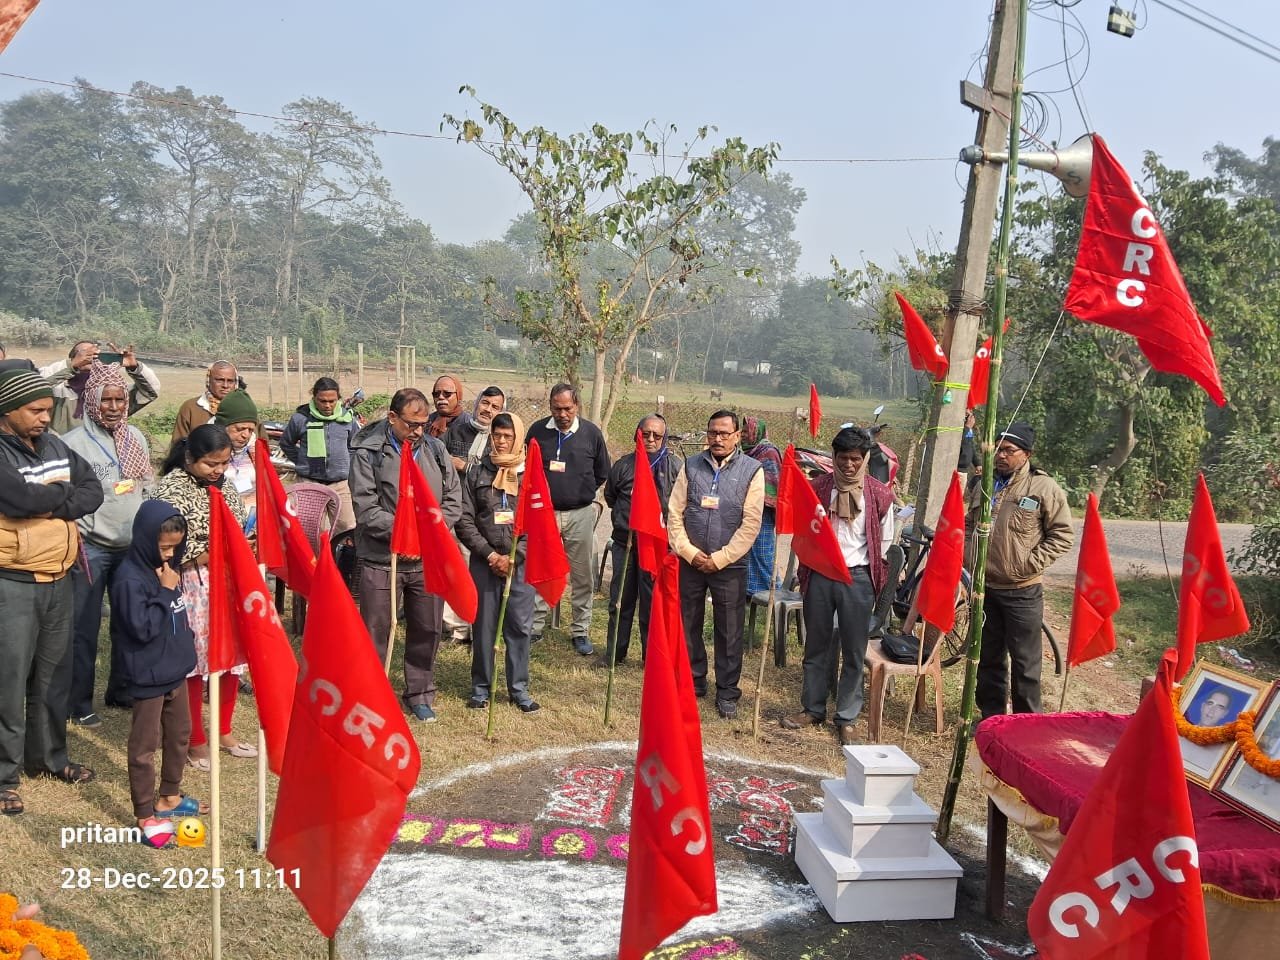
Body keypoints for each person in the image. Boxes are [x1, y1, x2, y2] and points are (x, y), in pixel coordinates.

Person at [0, 369, 104, 817]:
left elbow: (93, 490)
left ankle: (48, 758)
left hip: (60, 578)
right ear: (8, 411)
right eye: (36, 410)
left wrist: (49, 498)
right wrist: (58, 499)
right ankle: (4, 776)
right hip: (13, 583)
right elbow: (16, 499)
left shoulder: (56, 446)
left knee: (52, 674)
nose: (46, 417)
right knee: (8, 680)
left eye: (47, 409)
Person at [350, 387, 463, 722]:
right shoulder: (367, 452)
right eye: (411, 424)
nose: (418, 430)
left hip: (427, 560)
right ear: (392, 418)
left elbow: (453, 500)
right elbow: (366, 508)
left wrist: (428, 531)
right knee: (377, 629)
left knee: (427, 628)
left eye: (423, 423)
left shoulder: (436, 449)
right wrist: (408, 530)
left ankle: (420, 692)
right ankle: (373, 695)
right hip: (383, 559)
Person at [780, 427, 896, 746]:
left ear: (865, 459)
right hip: (820, 575)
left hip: (857, 579)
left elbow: (884, 542)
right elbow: (802, 528)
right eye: (842, 458)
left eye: (855, 459)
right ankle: (812, 707)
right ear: (834, 458)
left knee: (854, 649)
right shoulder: (818, 489)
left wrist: (869, 573)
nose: (848, 465)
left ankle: (847, 716)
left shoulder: (879, 495)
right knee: (816, 644)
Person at [150, 424, 255, 769]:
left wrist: (241, 546)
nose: (219, 471)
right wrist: (215, 553)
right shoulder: (170, 490)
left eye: (224, 464)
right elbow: (167, 546)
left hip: (229, 579)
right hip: (191, 583)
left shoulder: (223, 485)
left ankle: (223, 730)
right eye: (212, 464)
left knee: (233, 654)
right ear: (190, 457)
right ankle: (195, 739)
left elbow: (238, 522)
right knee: (196, 661)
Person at [61, 362, 153, 725]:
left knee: (129, 624)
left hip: (130, 548)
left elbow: (144, 488)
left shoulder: (137, 439)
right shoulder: (72, 444)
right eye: (107, 399)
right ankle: (78, 703)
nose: (114, 406)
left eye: (119, 399)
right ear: (92, 400)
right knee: (83, 629)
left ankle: (122, 690)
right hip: (90, 548)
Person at [111, 500, 208, 834]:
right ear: (144, 538)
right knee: (144, 747)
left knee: (180, 735)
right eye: (163, 546)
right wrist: (166, 593)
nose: (169, 554)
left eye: (175, 547)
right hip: (148, 674)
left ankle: (169, 795)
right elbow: (143, 629)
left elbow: (177, 618)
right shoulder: (129, 580)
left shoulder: (167, 570)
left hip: (174, 671)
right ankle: (144, 812)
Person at [965, 421, 1073, 718]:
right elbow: (969, 525)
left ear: (1026, 453)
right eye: (997, 449)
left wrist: (1028, 564)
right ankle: (992, 720)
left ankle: (1026, 727)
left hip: (1021, 592)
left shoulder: (1043, 487)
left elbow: (1062, 535)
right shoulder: (983, 483)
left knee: (1025, 664)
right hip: (985, 589)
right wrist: (968, 555)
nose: (1000, 455)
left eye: (1008, 450)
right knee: (988, 659)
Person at [667, 410, 765, 719]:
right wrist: (688, 552)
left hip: (730, 566)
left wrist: (720, 558)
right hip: (692, 560)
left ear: (738, 436)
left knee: (729, 630)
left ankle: (727, 692)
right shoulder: (691, 465)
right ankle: (694, 681)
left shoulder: (752, 470)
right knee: (688, 623)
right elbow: (674, 513)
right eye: (713, 433)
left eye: (724, 433)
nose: (718, 438)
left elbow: (751, 524)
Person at [455, 412, 540, 712]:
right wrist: (490, 555)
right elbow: (464, 519)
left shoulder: (531, 475)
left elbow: (540, 523)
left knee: (519, 626)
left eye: (508, 436)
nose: (502, 442)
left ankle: (518, 689)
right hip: (485, 562)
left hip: (520, 565)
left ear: (518, 438)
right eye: (497, 436)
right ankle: (481, 687)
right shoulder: (478, 472)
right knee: (484, 626)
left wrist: (514, 557)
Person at [525, 384, 611, 655]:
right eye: (557, 408)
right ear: (550, 405)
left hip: (580, 515)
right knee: (541, 570)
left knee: (582, 575)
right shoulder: (537, 432)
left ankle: (580, 630)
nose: (562, 414)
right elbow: (528, 470)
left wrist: (580, 493)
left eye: (568, 408)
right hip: (544, 516)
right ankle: (535, 626)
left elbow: (601, 472)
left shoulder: (591, 434)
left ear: (577, 406)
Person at [601, 413, 681, 667]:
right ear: (637, 434)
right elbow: (611, 497)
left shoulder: (675, 467)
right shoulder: (624, 465)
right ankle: (615, 654)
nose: (650, 439)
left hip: (656, 546)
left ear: (664, 438)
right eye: (645, 434)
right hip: (625, 543)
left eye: (657, 435)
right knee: (620, 601)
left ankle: (652, 658)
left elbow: (680, 506)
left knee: (652, 603)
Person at [278, 376, 361, 536]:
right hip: (309, 483)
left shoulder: (347, 418)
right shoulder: (300, 418)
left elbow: (354, 445)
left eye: (332, 401)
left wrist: (346, 463)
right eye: (322, 401)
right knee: (310, 532)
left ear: (338, 398)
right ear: (314, 397)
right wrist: (302, 461)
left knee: (347, 529)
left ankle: (338, 561)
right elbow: (286, 443)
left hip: (340, 484)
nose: (328, 405)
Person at [40, 340, 161, 435]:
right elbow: (33, 385)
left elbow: (151, 391)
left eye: (96, 355)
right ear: (73, 358)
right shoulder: (59, 388)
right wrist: (71, 367)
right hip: (61, 451)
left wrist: (134, 367)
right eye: (84, 354)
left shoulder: (111, 394)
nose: (90, 358)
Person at [742, 417, 783, 595]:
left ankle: (774, 588)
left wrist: (763, 498)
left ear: (755, 432)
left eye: (746, 432)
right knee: (747, 549)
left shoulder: (768, 452)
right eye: (742, 432)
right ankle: (752, 590)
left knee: (763, 551)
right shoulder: (747, 452)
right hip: (748, 508)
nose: (742, 435)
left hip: (764, 510)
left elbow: (773, 480)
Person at [214, 389, 260, 518]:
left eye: (250, 430)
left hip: (253, 521)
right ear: (224, 425)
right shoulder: (208, 452)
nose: (245, 435)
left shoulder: (254, 451)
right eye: (240, 429)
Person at [171, 361, 240, 443]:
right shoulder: (190, 408)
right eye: (219, 380)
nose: (225, 385)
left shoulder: (244, 409)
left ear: (236, 383)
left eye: (230, 381)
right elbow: (178, 446)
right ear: (208, 381)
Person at [447, 385, 506, 473]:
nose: (488, 409)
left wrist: (464, 466)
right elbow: (437, 454)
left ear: (501, 413)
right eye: (485, 403)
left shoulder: (500, 441)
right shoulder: (456, 431)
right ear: (477, 404)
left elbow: (498, 473)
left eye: (495, 407)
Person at [426, 375, 465, 450]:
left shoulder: (468, 425)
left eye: (447, 394)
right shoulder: (425, 423)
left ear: (458, 395)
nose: (440, 397)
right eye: (436, 394)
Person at [957, 409, 982, 474]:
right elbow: (957, 442)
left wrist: (977, 463)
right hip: (956, 467)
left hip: (963, 470)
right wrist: (967, 427)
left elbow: (970, 446)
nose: (969, 415)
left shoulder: (969, 430)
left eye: (970, 412)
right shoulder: (959, 428)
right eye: (966, 414)